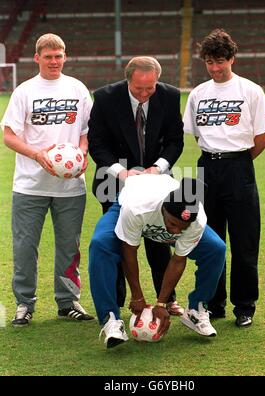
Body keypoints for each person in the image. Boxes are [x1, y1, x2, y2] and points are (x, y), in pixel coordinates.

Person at [1, 33, 94, 327]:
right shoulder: (24, 91)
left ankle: (68, 302)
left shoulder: (77, 89)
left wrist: (81, 153)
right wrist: (37, 155)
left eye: (59, 55)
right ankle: (24, 304)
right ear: (37, 58)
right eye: (49, 56)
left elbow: (87, 130)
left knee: (69, 246)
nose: (54, 61)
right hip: (29, 185)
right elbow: (8, 135)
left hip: (70, 186)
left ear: (65, 56)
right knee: (25, 246)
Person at [183, 28, 265, 327]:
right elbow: (196, 134)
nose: (215, 67)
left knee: (245, 241)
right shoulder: (198, 94)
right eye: (209, 61)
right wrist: (217, 159)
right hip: (207, 168)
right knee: (209, 238)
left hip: (239, 167)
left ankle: (245, 305)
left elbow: (264, 135)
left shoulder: (250, 90)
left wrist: (240, 162)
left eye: (220, 60)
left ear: (232, 58)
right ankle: (213, 302)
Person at [88, 56, 185, 315]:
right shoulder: (106, 98)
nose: (144, 94)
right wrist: (123, 173)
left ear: (157, 80)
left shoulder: (170, 96)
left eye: (150, 88)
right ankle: (119, 302)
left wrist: (158, 168)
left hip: (156, 182)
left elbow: (176, 140)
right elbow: (97, 144)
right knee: (118, 241)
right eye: (138, 88)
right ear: (127, 79)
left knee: (159, 241)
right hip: (115, 182)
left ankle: (168, 298)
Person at [89, 174, 226, 348]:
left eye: (182, 228)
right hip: (129, 201)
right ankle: (110, 319)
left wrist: (161, 303)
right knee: (100, 244)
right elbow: (129, 251)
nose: (176, 232)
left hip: (158, 212)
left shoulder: (195, 221)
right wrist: (137, 296)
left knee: (215, 249)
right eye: (173, 224)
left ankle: (195, 310)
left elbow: (178, 260)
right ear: (164, 210)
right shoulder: (137, 208)